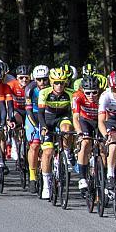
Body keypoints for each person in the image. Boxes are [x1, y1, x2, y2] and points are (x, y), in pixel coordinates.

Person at [38, 67, 75, 199]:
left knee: (67, 129)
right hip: (47, 120)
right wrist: (43, 127)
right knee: (47, 152)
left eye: (62, 83)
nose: (59, 86)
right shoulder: (44, 93)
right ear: (51, 82)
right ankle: (47, 185)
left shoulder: (71, 93)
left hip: (62, 118)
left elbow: (74, 114)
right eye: (56, 83)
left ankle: (66, 152)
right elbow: (40, 114)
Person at [72, 75, 102, 193]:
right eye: (88, 93)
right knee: (85, 143)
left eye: (94, 92)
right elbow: (75, 117)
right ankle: (82, 178)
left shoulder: (103, 97)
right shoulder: (77, 96)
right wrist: (80, 133)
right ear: (82, 91)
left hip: (100, 121)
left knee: (103, 149)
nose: (91, 96)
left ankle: (103, 179)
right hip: (85, 121)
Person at [25, 65, 50, 193]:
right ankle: (32, 177)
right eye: (39, 80)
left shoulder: (53, 88)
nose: (42, 82)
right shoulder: (30, 89)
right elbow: (28, 111)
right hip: (33, 114)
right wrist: (36, 126)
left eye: (45, 79)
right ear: (35, 79)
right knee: (34, 146)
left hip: (47, 114)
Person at [7, 64, 33, 159]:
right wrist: (8, 117)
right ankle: (15, 143)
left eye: (26, 78)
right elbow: (8, 103)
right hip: (16, 109)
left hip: (28, 109)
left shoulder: (32, 85)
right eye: (21, 78)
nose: (24, 80)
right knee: (17, 121)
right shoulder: (11, 85)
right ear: (17, 78)